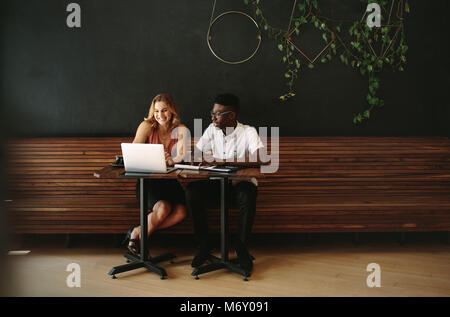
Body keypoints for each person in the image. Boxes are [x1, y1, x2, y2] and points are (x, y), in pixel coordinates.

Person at [185, 93, 264, 273]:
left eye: (217, 114)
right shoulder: (211, 130)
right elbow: (196, 153)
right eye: (212, 113)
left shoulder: (248, 131)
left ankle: (241, 248)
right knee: (192, 191)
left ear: (232, 115)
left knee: (248, 192)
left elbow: (262, 157)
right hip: (217, 185)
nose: (213, 117)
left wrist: (225, 160)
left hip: (239, 185)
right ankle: (204, 243)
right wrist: (194, 158)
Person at [123, 93, 188, 255]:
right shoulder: (146, 126)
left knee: (182, 212)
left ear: (172, 110)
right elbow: (133, 151)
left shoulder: (182, 130)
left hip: (171, 182)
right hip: (149, 181)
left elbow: (181, 155)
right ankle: (142, 245)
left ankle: (137, 231)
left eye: (164, 110)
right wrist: (157, 156)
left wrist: (172, 160)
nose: (160, 115)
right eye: (157, 111)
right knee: (163, 208)